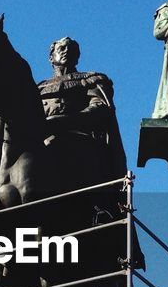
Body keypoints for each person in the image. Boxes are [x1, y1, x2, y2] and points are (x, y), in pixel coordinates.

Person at [37, 37, 128, 186]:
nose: (67, 51)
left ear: (77, 57)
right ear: (51, 57)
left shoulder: (91, 79)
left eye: (71, 49)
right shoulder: (37, 88)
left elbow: (101, 108)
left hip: (79, 140)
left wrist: (63, 121)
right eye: (62, 48)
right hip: (41, 141)